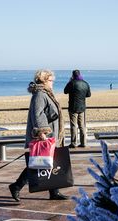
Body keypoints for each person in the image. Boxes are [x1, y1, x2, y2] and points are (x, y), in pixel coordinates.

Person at [9, 69, 69, 201]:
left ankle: (54, 191)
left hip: (52, 133)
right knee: (38, 163)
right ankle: (16, 186)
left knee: (50, 162)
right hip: (45, 135)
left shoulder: (45, 93)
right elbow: (38, 114)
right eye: (51, 80)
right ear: (44, 80)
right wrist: (42, 132)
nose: (53, 82)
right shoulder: (40, 94)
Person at [63, 69, 91, 148]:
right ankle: (83, 142)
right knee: (82, 125)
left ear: (73, 75)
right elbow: (88, 95)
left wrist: (69, 81)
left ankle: (74, 143)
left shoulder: (71, 83)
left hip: (73, 107)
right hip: (82, 107)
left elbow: (65, 91)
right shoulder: (85, 83)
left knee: (73, 125)